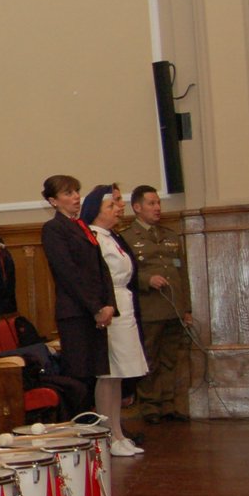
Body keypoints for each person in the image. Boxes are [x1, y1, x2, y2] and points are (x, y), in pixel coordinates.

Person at [39, 174, 116, 417]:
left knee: (97, 374)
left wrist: (109, 304)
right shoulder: (54, 229)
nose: (75, 198)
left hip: (95, 310)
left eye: (76, 192)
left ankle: (99, 430)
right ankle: (81, 431)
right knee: (80, 375)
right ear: (53, 201)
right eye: (68, 193)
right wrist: (95, 307)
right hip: (76, 313)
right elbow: (68, 273)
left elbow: (101, 268)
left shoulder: (81, 226)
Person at [84, 185, 148, 456]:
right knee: (108, 373)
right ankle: (106, 434)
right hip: (111, 306)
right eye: (110, 207)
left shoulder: (112, 237)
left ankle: (118, 432)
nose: (116, 210)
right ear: (96, 212)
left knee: (119, 374)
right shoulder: (93, 238)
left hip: (125, 302)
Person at [125, 185, 193, 423]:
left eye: (158, 203)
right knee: (149, 359)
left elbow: (182, 274)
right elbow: (125, 273)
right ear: (137, 207)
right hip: (148, 308)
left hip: (172, 308)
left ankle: (168, 404)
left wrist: (186, 308)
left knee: (170, 359)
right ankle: (150, 406)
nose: (157, 208)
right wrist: (146, 280)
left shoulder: (170, 236)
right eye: (151, 203)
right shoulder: (127, 238)